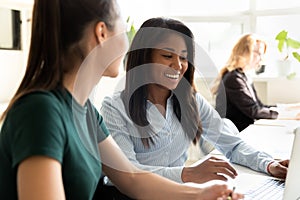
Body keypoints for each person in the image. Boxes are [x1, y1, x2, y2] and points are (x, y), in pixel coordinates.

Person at [0, 1, 243, 200]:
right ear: (102, 33)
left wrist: (201, 194)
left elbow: (133, 179)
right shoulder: (41, 112)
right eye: (123, 31)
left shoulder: (85, 112)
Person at [100, 17, 289, 197]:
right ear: (144, 58)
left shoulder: (191, 101)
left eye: (184, 58)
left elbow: (233, 144)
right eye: (167, 56)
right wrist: (187, 174)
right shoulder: (114, 108)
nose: (178, 65)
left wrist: (268, 164)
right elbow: (125, 175)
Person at [211, 34, 279, 131]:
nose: (261, 59)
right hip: (234, 136)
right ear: (245, 53)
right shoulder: (233, 79)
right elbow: (254, 111)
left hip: (242, 132)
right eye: (258, 53)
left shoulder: (244, 77)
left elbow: (259, 106)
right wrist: (285, 114)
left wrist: (287, 109)